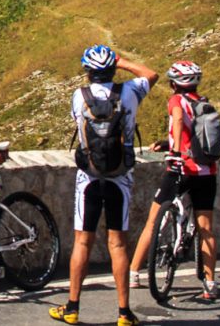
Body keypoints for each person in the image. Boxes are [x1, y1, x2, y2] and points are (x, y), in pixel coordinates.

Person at [49, 45, 158, 326]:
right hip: (120, 178)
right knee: (117, 244)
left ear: (88, 72)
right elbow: (152, 74)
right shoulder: (131, 92)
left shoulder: (78, 96)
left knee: (83, 241)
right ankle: (124, 313)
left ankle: (72, 307)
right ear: (112, 68)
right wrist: (124, 63)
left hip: (88, 178)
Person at [129, 61, 220, 300]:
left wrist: (176, 151)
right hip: (206, 172)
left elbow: (178, 120)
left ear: (172, 84)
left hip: (181, 170)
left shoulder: (176, 101)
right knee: (206, 229)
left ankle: (134, 273)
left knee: (153, 221)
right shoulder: (203, 104)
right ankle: (210, 284)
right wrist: (168, 142)